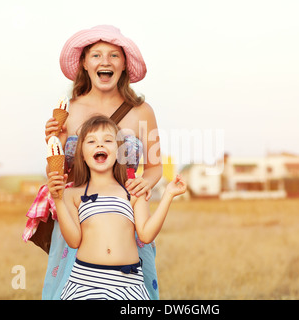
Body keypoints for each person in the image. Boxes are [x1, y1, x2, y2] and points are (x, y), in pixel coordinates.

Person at [30, 25, 163, 300]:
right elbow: (59, 169)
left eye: (114, 55)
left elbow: (155, 167)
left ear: (124, 64)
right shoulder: (69, 111)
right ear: (84, 63)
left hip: (126, 217)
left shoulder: (142, 112)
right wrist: (52, 145)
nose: (105, 61)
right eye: (96, 55)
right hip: (78, 215)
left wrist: (141, 186)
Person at [47, 115, 186, 300]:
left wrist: (168, 194)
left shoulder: (133, 190)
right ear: (81, 153)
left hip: (129, 285)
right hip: (85, 282)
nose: (99, 145)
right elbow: (73, 241)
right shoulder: (73, 194)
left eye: (107, 140)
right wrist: (58, 200)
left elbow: (146, 234)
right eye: (91, 141)